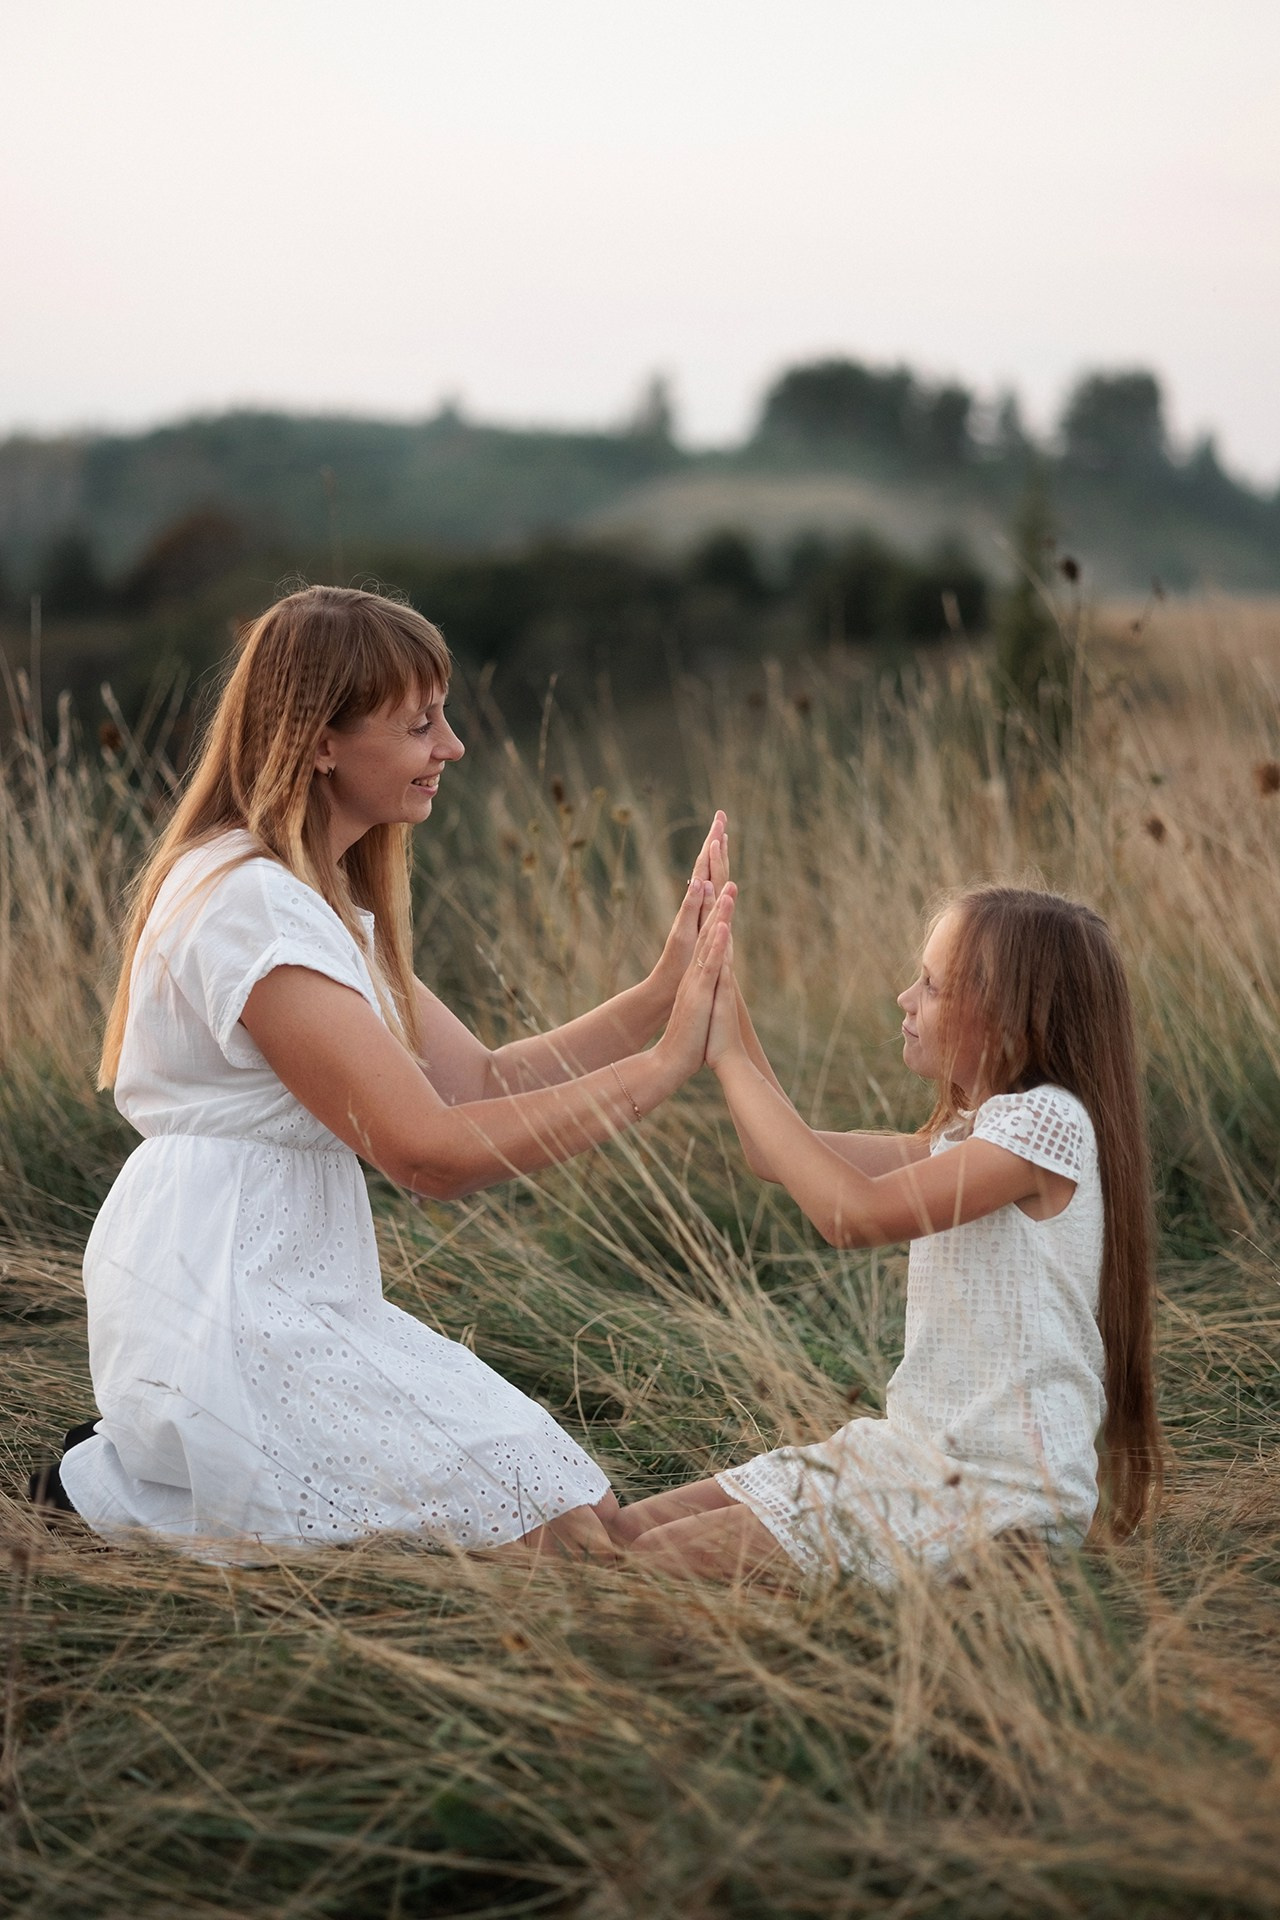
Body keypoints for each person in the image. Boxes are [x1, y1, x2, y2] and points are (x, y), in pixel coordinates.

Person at [56, 585, 734, 1564]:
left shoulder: (313, 902)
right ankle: (93, 1515)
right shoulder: (249, 904)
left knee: (582, 1524)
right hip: (227, 1308)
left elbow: (478, 1087)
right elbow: (429, 1155)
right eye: (420, 724)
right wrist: (667, 1069)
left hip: (295, 1292)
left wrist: (659, 995)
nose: (451, 747)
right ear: (321, 742)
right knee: (572, 1556)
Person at [617, 885, 1163, 1584]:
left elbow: (853, 1215)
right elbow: (774, 1153)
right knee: (621, 1535)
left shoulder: (1046, 1126)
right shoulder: (971, 1137)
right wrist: (723, 983)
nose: (906, 999)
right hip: (908, 1459)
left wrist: (724, 1056)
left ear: (1012, 1022)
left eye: (933, 988)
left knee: (649, 1568)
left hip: (996, 1498)